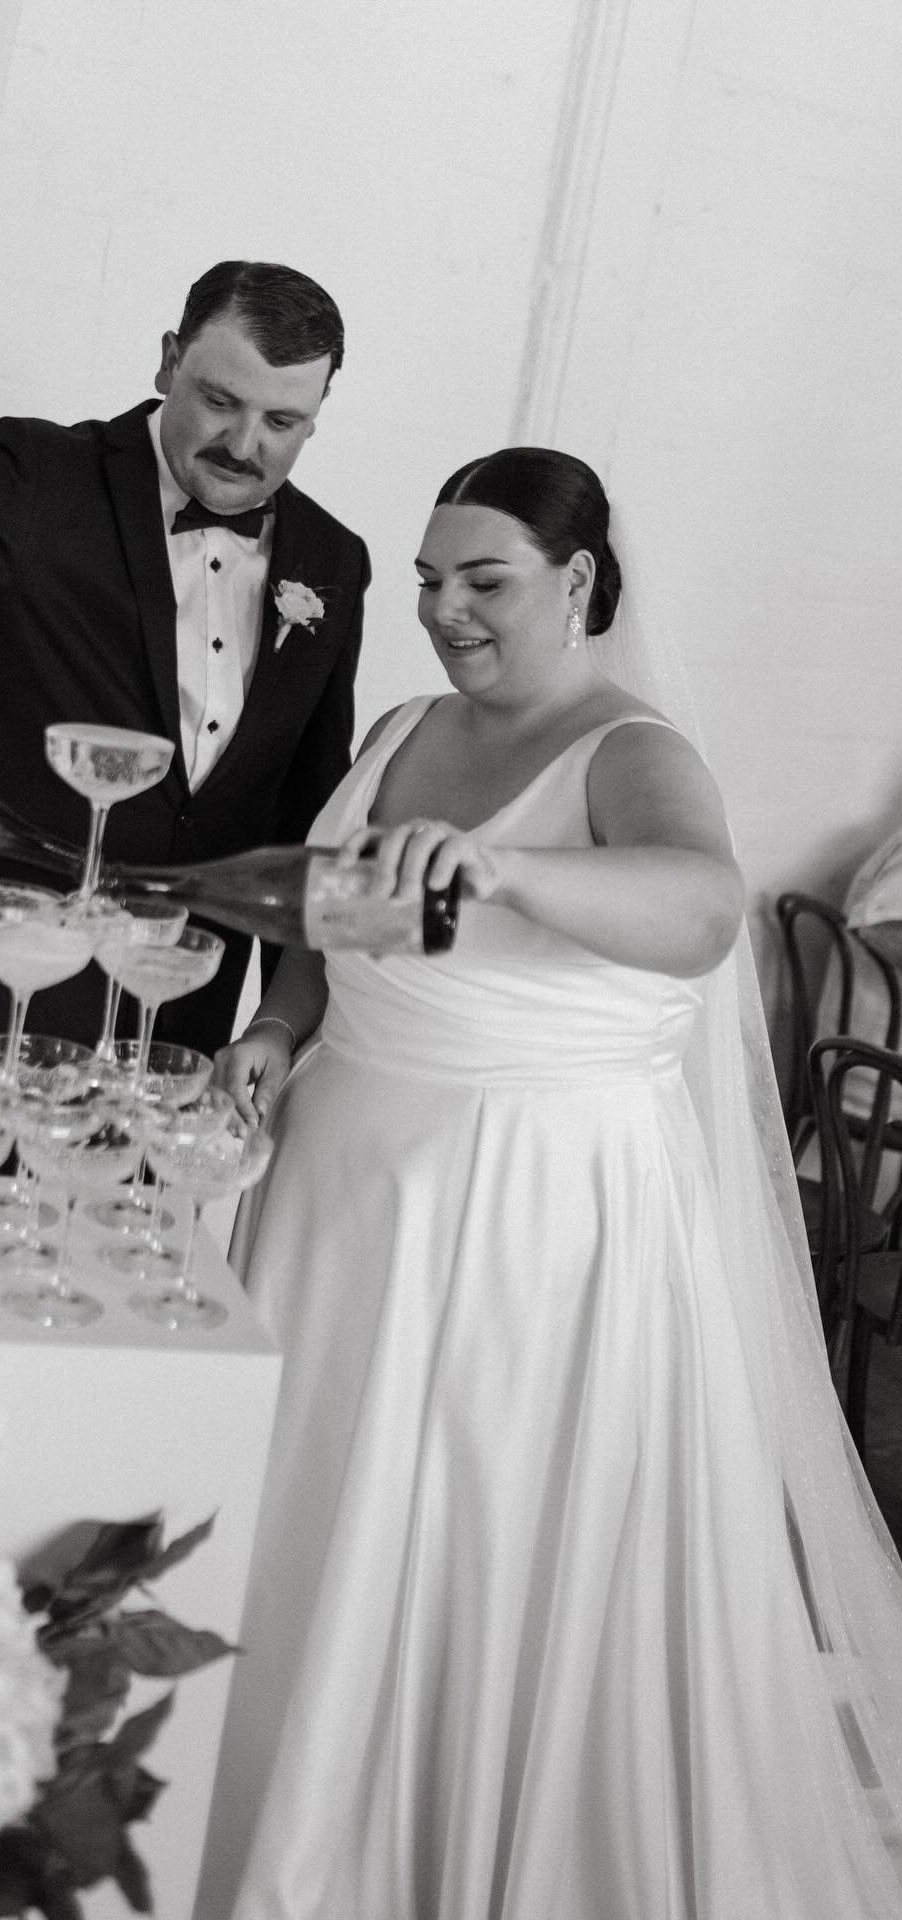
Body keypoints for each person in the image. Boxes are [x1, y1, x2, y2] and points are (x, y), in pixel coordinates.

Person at [200, 448, 902, 1917]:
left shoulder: (631, 751)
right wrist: (276, 1024)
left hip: (528, 1213)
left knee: (475, 1535)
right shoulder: (399, 726)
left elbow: (703, 908)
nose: (448, 609)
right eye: (430, 579)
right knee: (319, 1520)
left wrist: (510, 876)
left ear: (577, 584)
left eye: (487, 580)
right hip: (345, 1192)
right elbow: (332, 920)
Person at [0, 260, 369, 1058]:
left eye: (283, 422)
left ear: (317, 413)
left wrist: (285, 1028)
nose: (245, 445)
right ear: (170, 361)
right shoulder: (39, 475)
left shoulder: (336, 560)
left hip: (176, 1017)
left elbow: (308, 811)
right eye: (219, 401)